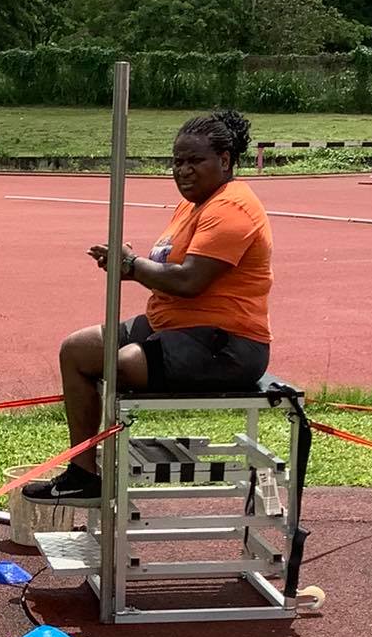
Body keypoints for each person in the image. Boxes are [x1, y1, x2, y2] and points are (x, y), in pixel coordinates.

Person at [23, 107, 272, 501]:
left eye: (194, 161)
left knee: (121, 364)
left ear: (225, 161)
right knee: (77, 350)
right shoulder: (193, 205)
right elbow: (166, 267)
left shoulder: (232, 207)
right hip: (171, 325)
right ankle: (83, 473)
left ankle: (117, 463)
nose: (183, 171)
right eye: (177, 161)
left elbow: (189, 281)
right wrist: (129, 264)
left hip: (226, 344)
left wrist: (132, 266)